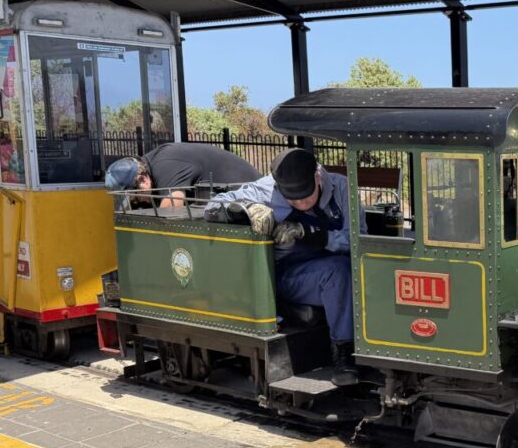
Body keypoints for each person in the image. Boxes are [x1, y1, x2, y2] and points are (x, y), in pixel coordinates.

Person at [205, 148, 364, 386]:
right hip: (283, 274)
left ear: (317, 177)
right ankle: (343, 352)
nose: (300, 204)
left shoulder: (342, 188)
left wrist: (314, 235)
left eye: (306, 197)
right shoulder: (265, 189)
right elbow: (213, 206)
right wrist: (245, 209)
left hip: (326, 265)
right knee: (337, 271)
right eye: (293, 200)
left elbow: (360, 239)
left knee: (342, 268)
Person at [105, 143, 261, 210]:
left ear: (143, 180)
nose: (139, 203)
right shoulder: (148, 165)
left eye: (136, 198)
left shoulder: (165, 166)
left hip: (252, 195)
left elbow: (172, 211)